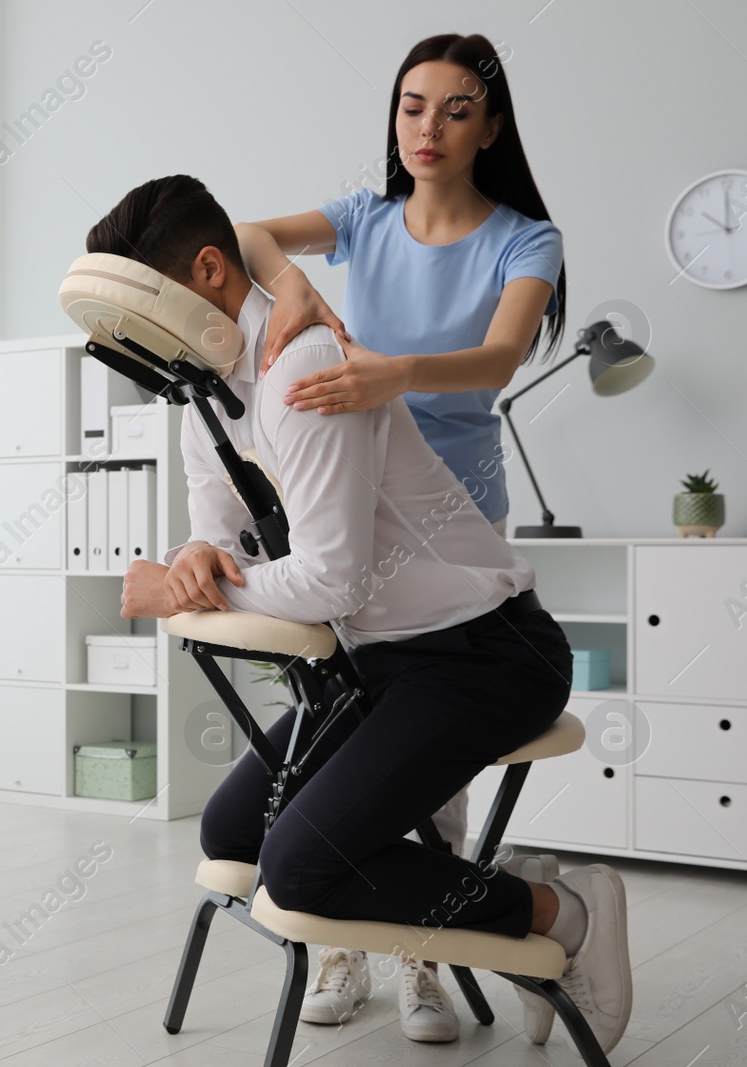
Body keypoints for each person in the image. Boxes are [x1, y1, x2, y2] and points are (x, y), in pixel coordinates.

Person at [86, 173, 632, 1056]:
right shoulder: (207, 393)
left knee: (301, 866)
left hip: (488, 653)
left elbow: (332, 581)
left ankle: (561, 914)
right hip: (380, 665)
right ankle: (501, 886)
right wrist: (194, 557)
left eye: (148, 302)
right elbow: (214, 528)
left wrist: (189, 592)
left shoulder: (305, 368)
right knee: (233, 831)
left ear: (211, 271)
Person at [232, 32, 567, 1041]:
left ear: (490, 128)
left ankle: (427, 952)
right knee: (345, 739)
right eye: (412, 106)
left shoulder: (522, 238)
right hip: (347, 513)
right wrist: (295, 290)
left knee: (433, 760)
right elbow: (246, 232)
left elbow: (500, 355)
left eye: (456, 110)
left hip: (455, 528)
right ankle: (342, 935)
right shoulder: (360, 219)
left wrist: (392, 371)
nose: (429, 127)